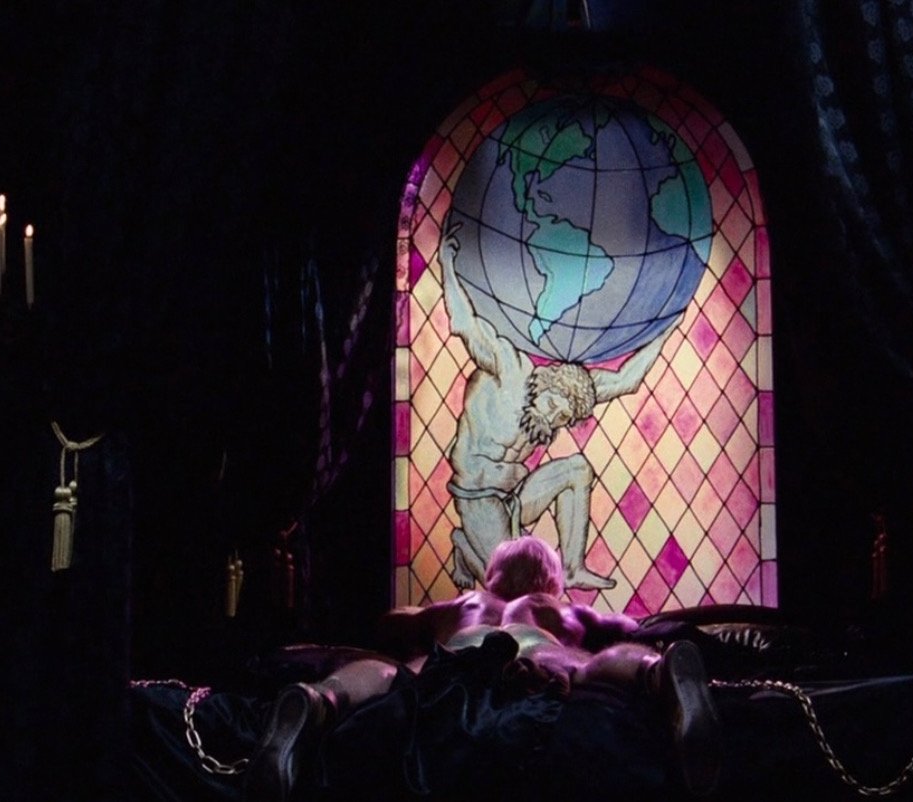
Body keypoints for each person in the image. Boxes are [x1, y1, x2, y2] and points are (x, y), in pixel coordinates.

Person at [245, 537, 723, 801]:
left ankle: (322, 697)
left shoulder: (467, 603)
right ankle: (658, 673)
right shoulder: (556, 608)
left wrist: (424, 618)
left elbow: (391, 622)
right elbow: (632, 626)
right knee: (591, 664)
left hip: (461, 648)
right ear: (553, 581)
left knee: (396, 673)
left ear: (492, 576)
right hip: (538, 650)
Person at [439, 224, 676, 591]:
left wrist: (666, 327)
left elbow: (626, 380)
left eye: (561, 417)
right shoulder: (509, 368)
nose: (552, 418)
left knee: (577, 469)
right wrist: (446, 262)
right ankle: (463, 544)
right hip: (477, 496)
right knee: (509, 587)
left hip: (514, 496)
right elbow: (465, 324)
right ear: (545, 383)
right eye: (551, 405)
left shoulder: (569, 392)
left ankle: (573, 568)